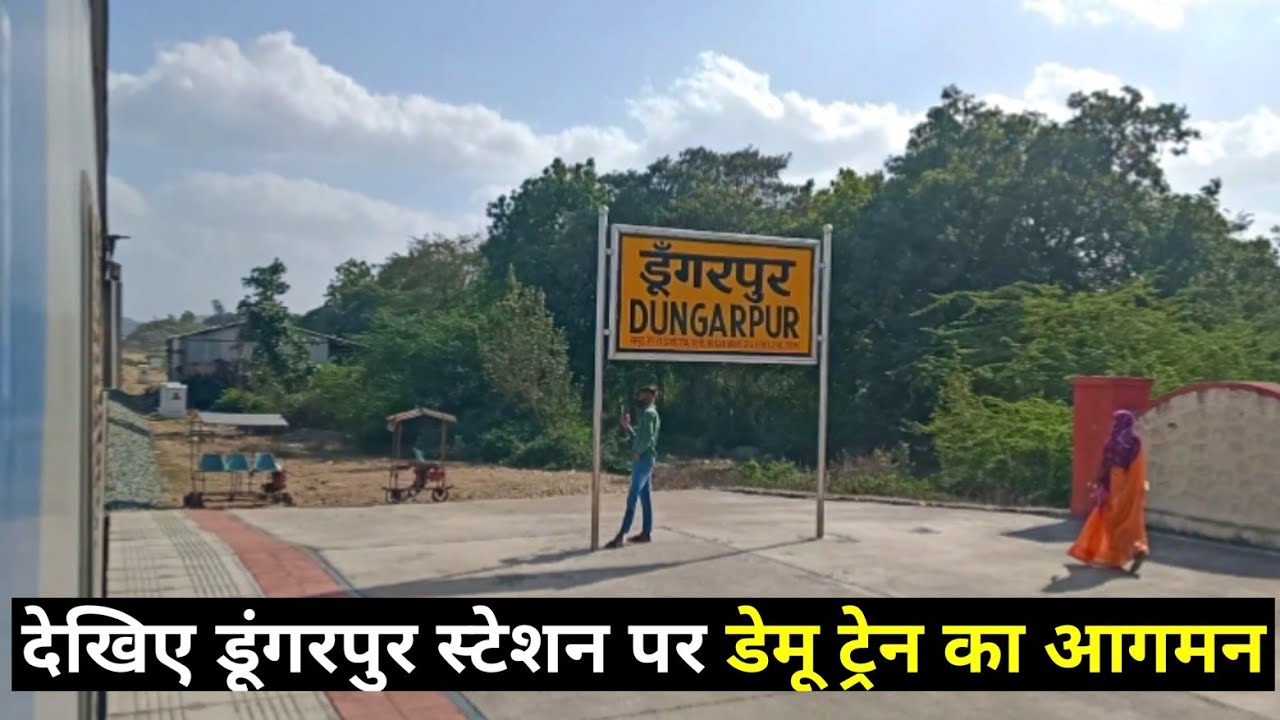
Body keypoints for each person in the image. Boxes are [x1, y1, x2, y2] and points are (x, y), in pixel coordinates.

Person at [1068, 409, 1151, 574]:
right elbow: (1138, 466)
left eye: (1114, 420)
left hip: (1115, 481)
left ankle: (1128, 551)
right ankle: (1136, 548)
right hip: (1132, 485)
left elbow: (1107, 463)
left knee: (1110, 518)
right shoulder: (1136, 442)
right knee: (1128, 519)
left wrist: (1099, 480)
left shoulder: (1114, 441)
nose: (1112, 424)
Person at [606, 385, 660, 548]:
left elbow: (648, 438)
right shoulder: (648, 413)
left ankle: (622, 534)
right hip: (646, 459)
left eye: (643, 395)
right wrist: (627, 427)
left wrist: (638, 451)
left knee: (633, 496)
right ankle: (646, 532)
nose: (640, 397)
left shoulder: (649, 414)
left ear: (650, 396)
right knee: (645, 497)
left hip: (643, 460)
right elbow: (640, 436)